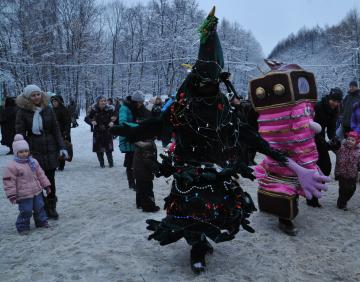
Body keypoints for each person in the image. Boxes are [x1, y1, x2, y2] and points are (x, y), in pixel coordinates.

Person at [111, 7, 328, 274]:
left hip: (216, 169)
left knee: (213, 210)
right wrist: (127, 130)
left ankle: (203, 240)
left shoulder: (223, 108)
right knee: (189, 211)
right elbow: (157, 124)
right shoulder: (182, 106)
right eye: (203, 83)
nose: (207, 89)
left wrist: (289, 162)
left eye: (212, 84)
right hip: (188, 169)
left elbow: (250, 136)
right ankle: (197, 247)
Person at [15, 85, 68, 220]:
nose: (36, 97)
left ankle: (51, 207)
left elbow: (56, 129)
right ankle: (42, 207)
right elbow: (20, 133)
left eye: (38, 94)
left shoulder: (48, 109)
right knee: (37, 182)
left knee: (50, 181)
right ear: (28, 97)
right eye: (33, 95)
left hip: (50, 148)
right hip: (33, 149)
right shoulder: (22, 112)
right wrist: (22, 151)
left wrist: (62, 146)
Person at [3, 134, 52, 234]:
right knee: (26, 210)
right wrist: (11, 195)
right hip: (23, 194)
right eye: (21, 152)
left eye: (26, 151)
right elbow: (9, 182)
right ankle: (22, 226)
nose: (24, 154)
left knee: (40, 206)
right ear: (16, 153)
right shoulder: (12, 166)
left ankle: (41, 221)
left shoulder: (33, 162)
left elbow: (41, 175)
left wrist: (46, 185)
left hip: (37, 191)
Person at [311, 88, 342, 207]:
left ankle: (314, 195)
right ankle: (311, 197)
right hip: (309, 139)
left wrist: (334, 139)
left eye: (337, 101)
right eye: (333, 100)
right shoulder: (318, 106)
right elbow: (312, 126)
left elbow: (331, 129)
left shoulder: (334, 110)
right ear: (329, 98)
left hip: (321, 139)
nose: (334, 103)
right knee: (315, 167)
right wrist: (323, 142)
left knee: (325, 167)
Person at [119, 92, 151, 190]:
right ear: (134, 101)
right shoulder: (124, 108)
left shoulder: (136, 107)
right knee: (130, 162)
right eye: (139, 102)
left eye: (142, 102)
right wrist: (138, 126)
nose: (140, 104)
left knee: (138, 161)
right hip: (128, 137)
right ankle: (131, 183)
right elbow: (122, 122)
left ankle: (138, 181)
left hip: (137, 137)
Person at [334, 131, 360, 210]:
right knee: (343, 189)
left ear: (356, 142)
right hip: (342, 173)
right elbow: (334, 148)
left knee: (352, 189)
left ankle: (344, 200)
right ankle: (341, 204)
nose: (350, 141)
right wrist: (334, 143)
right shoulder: (341, 148)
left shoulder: (358, 152)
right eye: (348, 139)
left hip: (352, 174)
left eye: (352, 140)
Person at [87, 96, 116, 168]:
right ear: (98, 102)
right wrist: (92, 121)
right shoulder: (94, 110)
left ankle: (111, 163)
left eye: (104, 101)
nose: (103, 102)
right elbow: (87, 118)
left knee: (108, 149)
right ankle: (101, 163)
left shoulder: (110, 110)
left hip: (107, 131)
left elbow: (115, 117)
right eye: (101, 101)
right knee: (98, 149)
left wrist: (113, 122)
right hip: (97, 132)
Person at [133, 140, 160, 211]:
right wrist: (156, 169)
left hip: (138, 170)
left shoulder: (141, 141)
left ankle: (140, 204)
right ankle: (149, 207)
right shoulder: (148, 144)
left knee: (140, 187)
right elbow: (148, 160)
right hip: (144, 171)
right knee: (147, 189)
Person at [51, 95, 72, 171]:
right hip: (53, 132)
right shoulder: (52, 110)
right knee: (54, 148)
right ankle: (56, 164)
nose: (54, 103)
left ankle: (61, 165)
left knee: (62, 148)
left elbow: (67, 123)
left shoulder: (64, 110)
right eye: (53, 102)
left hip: (62, 132)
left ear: (59, 101)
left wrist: (66, 133)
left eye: (55, 101)